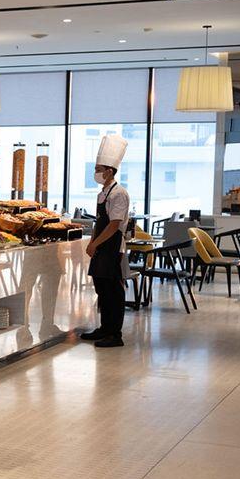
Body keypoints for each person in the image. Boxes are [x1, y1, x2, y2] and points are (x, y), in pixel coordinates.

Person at [82, 134, 130, 348]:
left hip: (112, 246)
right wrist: (92, 241)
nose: (96, 173)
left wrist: (96, 243)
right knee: (101, 288)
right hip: (101, 245)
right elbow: (99, 222)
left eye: (98, 169)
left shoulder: (119, 193)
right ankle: (104, 328)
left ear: (110, 171)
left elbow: (113, 225)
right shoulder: (102, 194)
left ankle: (115, 334)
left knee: (113, 291)